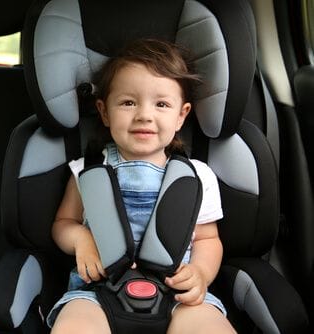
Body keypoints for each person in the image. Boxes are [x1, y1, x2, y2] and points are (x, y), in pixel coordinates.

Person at [47, 39, 236, 334]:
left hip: (177, 293)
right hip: (98, 291)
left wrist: (199, 273)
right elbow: (63, 223)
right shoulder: (87, 171)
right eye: (128, 102)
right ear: (104, 111)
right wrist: (81, 239)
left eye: (161, 104)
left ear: (181, 115)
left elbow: (207, 240)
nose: (144, 115)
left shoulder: (197, 176)